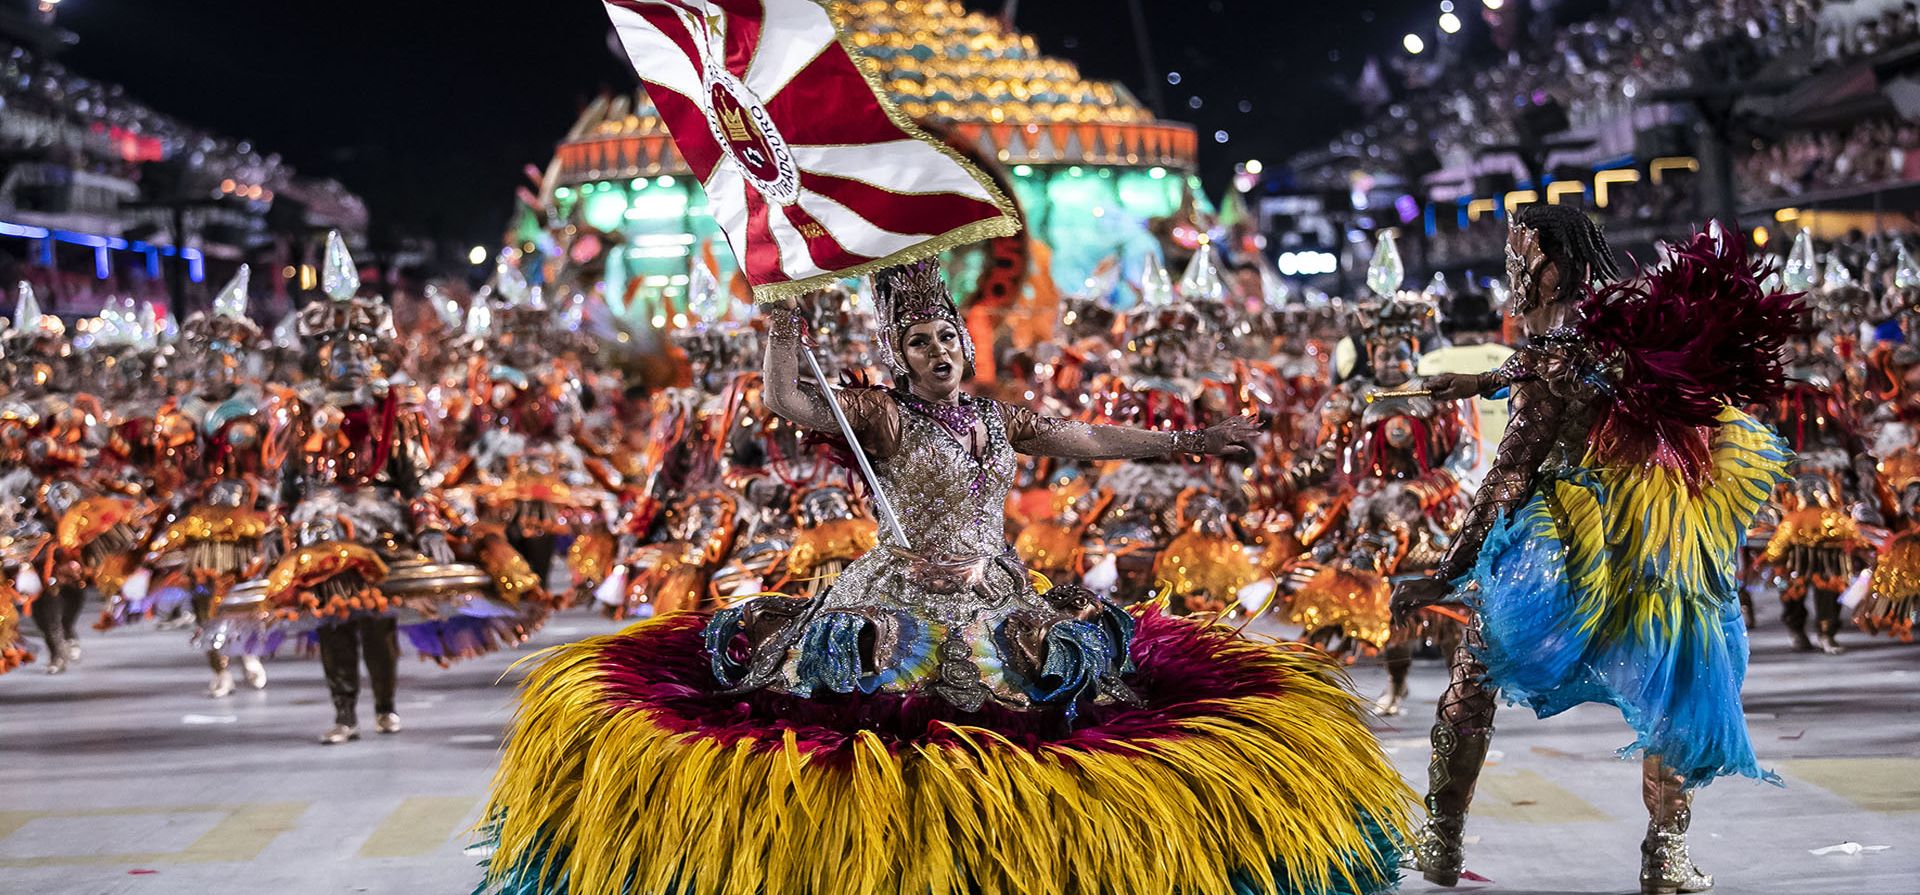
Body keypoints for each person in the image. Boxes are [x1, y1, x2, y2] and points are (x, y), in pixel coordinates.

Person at [476, 259, 1414, 895]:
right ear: (900, 354)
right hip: (896, 591)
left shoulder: (1001, 420)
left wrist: (1195, 442)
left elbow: (1091, 438)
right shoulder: (879, 419)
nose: (934, 351)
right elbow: (788, 399)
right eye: (917, 341)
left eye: (945, 338)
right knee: (889, 713)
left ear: (965, 347)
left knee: (1029, 706)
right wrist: (781, 325)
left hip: (995, 587)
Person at [1391, 208, 1796, 895]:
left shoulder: (1566, 346)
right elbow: (1561, 373)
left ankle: (1441, 838)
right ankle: (1664, 856)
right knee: (1673, 684)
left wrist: (1445, 571)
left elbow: (1511, 470)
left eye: (1521, 260)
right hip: (1658, 535)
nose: (1512, 274)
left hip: (1567, 544)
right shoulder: (1621, 329)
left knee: (1476, 675)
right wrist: (1489, 379)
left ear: (1552, 266)